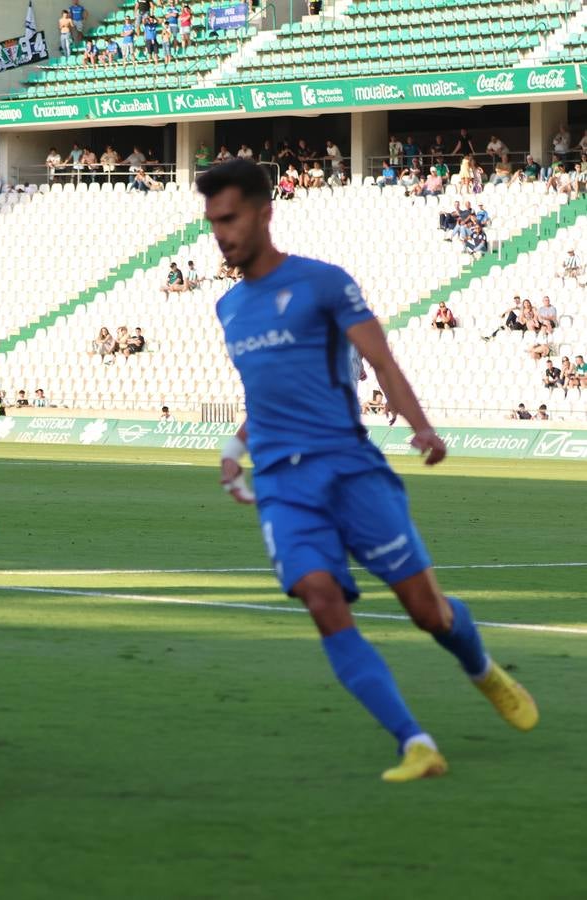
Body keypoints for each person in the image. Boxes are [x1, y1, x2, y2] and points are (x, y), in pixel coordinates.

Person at [197, 159, 537, 783]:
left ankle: (483, 670)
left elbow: (379, 359)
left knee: (426, 611)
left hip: (350, 469)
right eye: (213, 221)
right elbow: (267, 396)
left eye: (230, 217)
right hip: (283, 485)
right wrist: (231, 448)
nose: (221, 232)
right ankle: (416, 742)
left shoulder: (323, 283)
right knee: (321, 598)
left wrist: (421, 425)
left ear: (264, 212)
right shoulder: (227, 309)